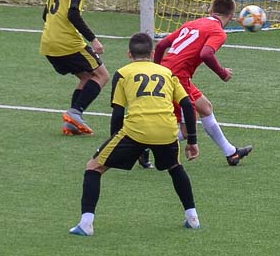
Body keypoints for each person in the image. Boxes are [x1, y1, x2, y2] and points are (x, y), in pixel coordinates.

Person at [69, 33, 201, 236]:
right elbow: (187, 105)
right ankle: (193, 218)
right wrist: (192, 140)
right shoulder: (167, 73)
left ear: (129, 54)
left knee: (93, 167)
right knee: (175, 167)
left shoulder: (122, 73)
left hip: (136, 131)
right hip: (167, 130)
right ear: (152, 53)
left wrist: (114, 142)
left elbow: (118, 113)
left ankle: (86, 224)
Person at [152, 0, 253, 166]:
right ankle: (143, 146)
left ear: (211, 10)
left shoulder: (193, 23)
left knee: (205, 108)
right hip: (178, 79)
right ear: (231, 16)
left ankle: (231, 153)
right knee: (185, 131)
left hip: (171, 73)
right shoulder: (218, 32)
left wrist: (155, 70)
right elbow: (206, 53)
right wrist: (222, 73)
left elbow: (161, 45)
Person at [40, 0, 109, 136]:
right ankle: (75, 112)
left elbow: (45, 14)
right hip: (67, 42)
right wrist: (93, 39)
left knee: (87, 78)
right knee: (102, 75)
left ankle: (71, 123)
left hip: (48, 42)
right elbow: (73, 14)